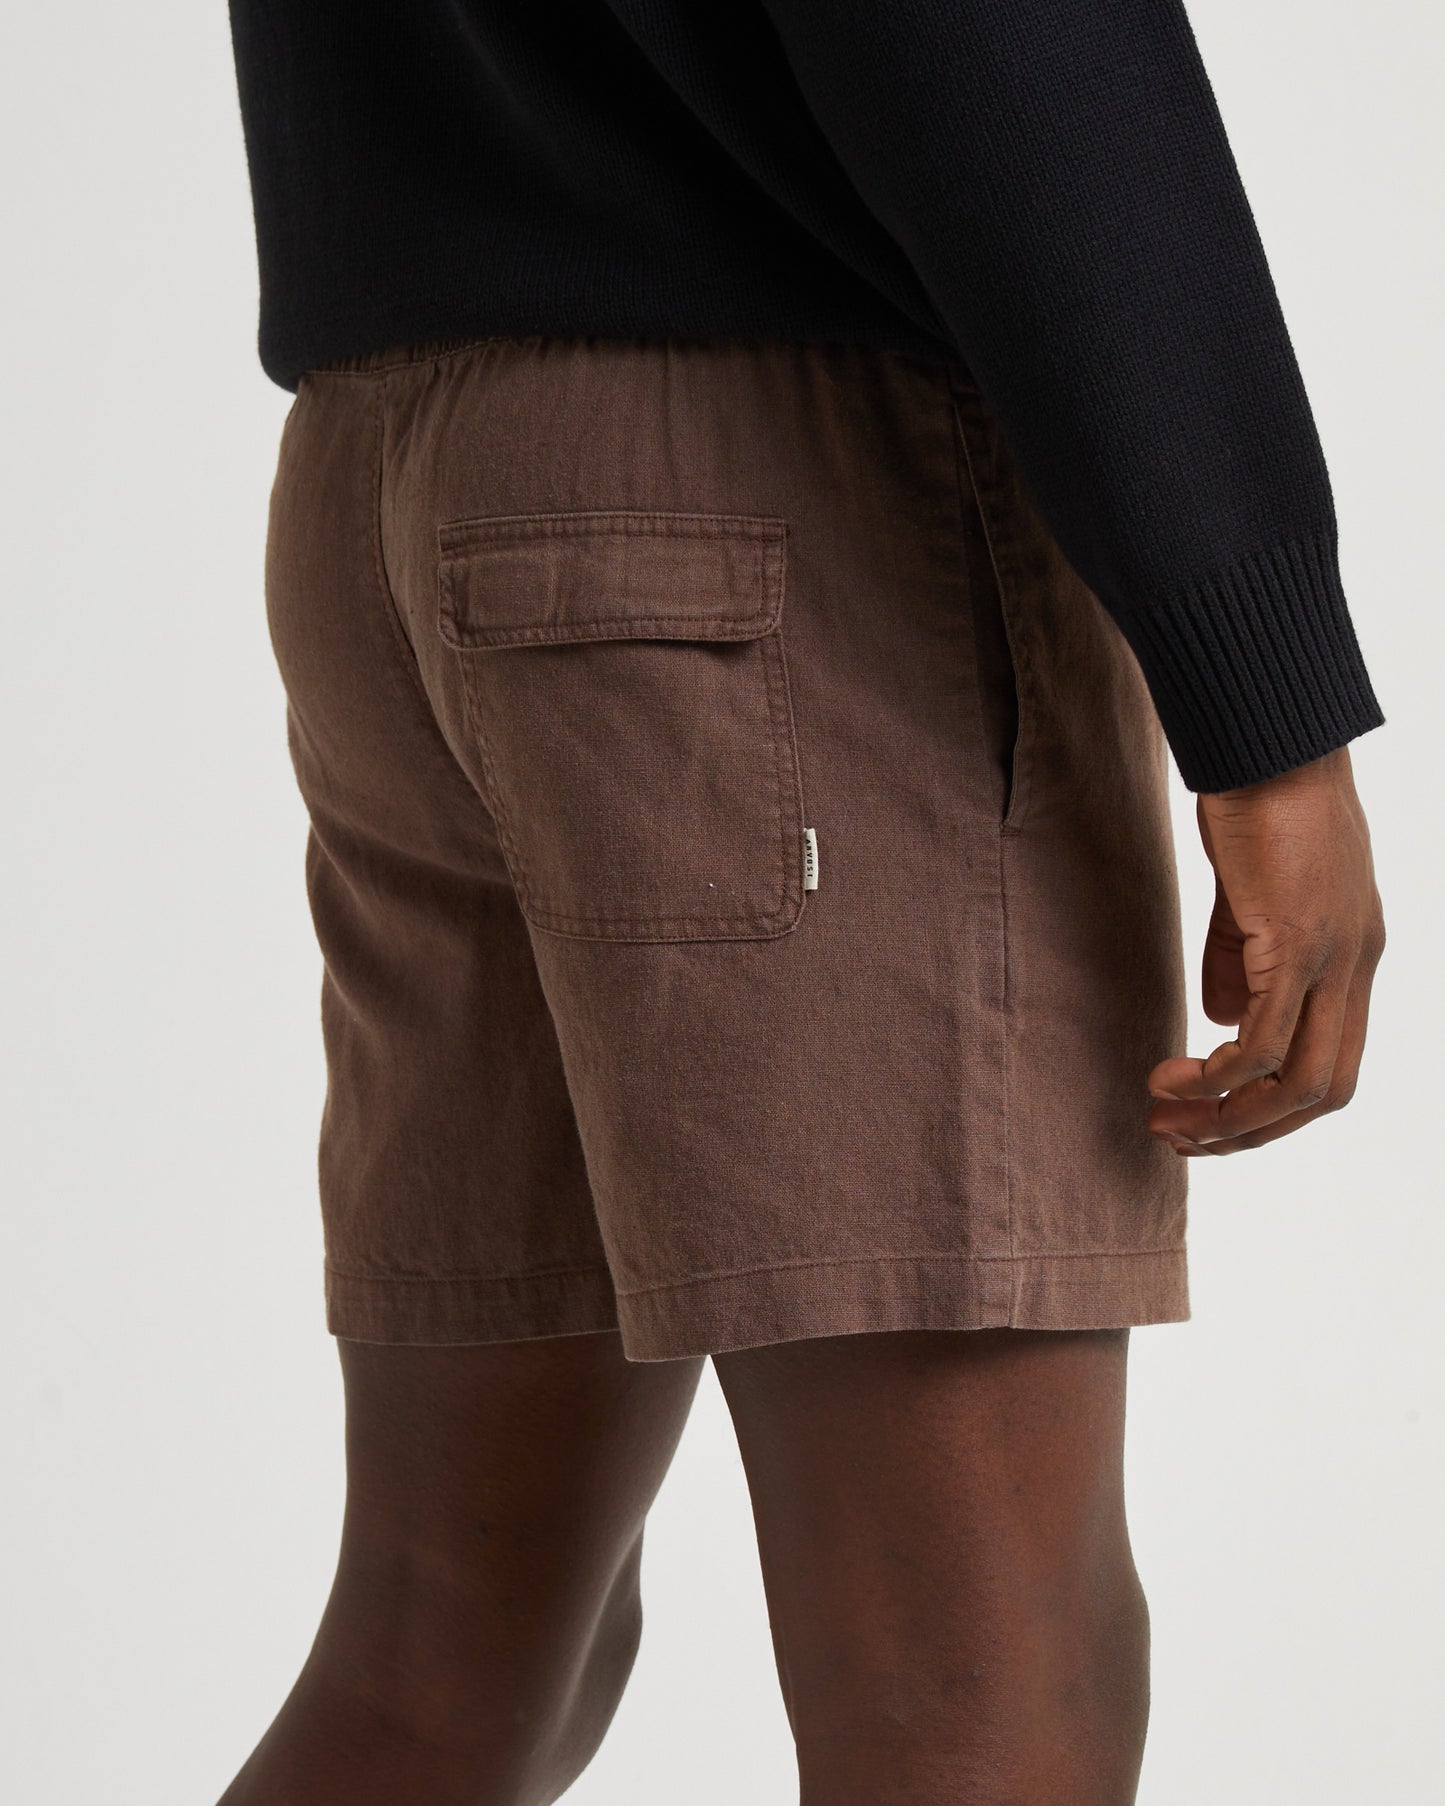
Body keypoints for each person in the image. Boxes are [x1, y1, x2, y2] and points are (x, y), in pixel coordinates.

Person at [219, 2, 1385, 1801]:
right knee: (980, 1695)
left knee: (446, 1657)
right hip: (764, 506)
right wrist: (1264, 688)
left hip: (396, 470)